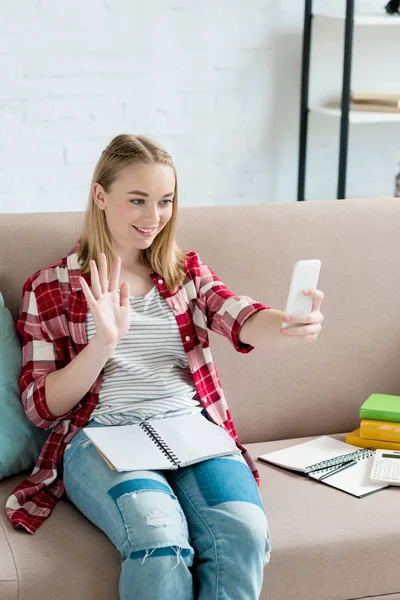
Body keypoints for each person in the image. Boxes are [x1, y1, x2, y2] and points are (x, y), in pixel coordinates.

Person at [6, 134, 324, 600]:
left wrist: (292, 323)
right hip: (101, 438)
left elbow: (240, 315)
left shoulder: (185, 273)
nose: (154, 217)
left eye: (165, 201)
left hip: (189, 431)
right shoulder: (50, 285)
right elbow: (41, 406)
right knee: (160, 542)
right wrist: (103, 345)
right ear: (100, 195)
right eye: (137, 200)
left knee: (245, 532)